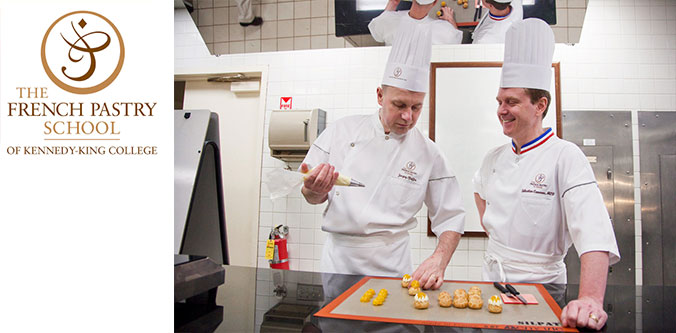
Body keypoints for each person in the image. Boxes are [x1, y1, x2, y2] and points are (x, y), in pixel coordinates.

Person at [472, 19, 620, 330]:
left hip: (543, 288)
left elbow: (593, 231)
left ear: (540, 105)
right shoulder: (493, 158)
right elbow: (480, 192)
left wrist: (591, 299)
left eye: (512, 101)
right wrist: (503, 239)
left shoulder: (566, 157)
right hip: (493, 283)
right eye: (499, 101)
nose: (501, 109)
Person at [301, 15, 465, 290]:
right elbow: (308, 194)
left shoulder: (428, 153)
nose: (407, 116)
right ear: (379, 95)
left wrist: (440, 259)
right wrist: (315, 191)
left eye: (416, 107)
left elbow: (451, 215)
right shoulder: (341, 132)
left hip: (394, 266)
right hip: (339, 264)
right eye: (399, 104)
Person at [368, 0, 462, 46]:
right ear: (435, 2)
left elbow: (377, 33)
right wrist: (450, 19)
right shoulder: (445, 31)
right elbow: (456, 42)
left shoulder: (388, 22)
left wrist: (392, 3)